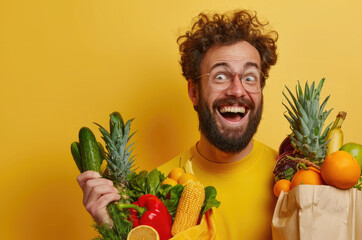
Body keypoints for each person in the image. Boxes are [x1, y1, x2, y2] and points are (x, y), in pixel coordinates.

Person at [77, 10, 279, 239]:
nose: (237, 89)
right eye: (221, 76)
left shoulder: (292, 182)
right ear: (194, 92)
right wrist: (111, 226)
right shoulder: (153, 190)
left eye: (250, 77)